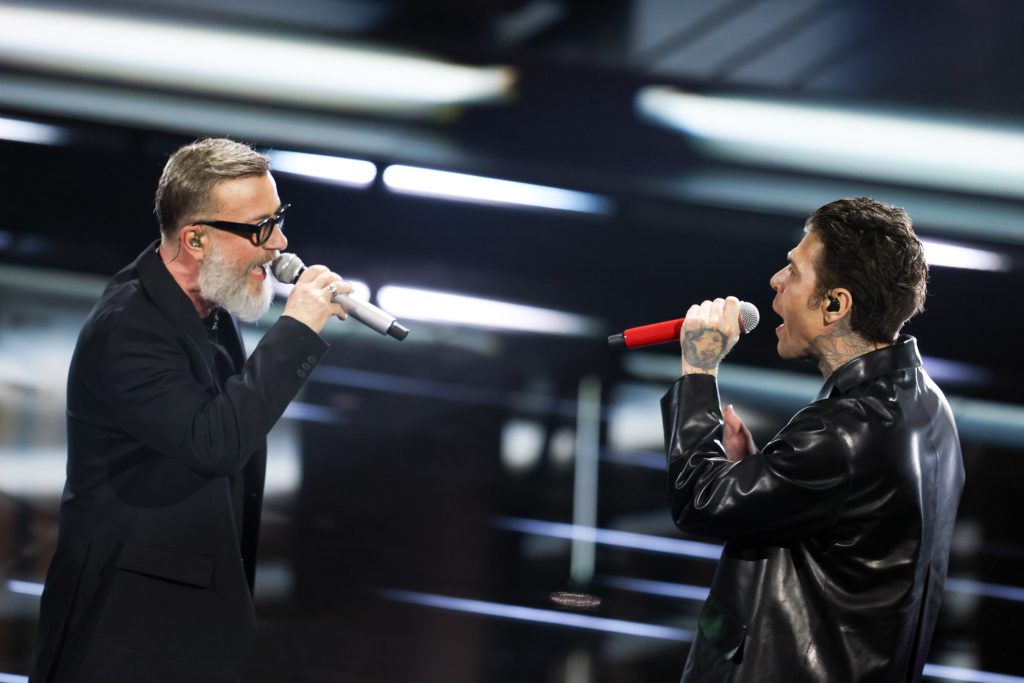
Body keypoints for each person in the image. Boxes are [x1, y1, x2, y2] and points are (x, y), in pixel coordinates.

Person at [30, 138, 353, 682]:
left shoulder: (206, 309)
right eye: (259, 228)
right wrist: (297, 330)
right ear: (196, 239)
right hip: (125, 636)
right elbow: (215, 441)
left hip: (178, 633)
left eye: (277, 219)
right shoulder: (128, 328)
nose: (278, 244)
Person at [662, 198, 964, 682]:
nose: (775, 281)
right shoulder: (926, 405)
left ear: (834, 304)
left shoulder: (844, 430)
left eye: (794, 270)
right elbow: (844, 532)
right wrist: (762, 475)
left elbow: (699, 501)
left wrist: (698, 369)